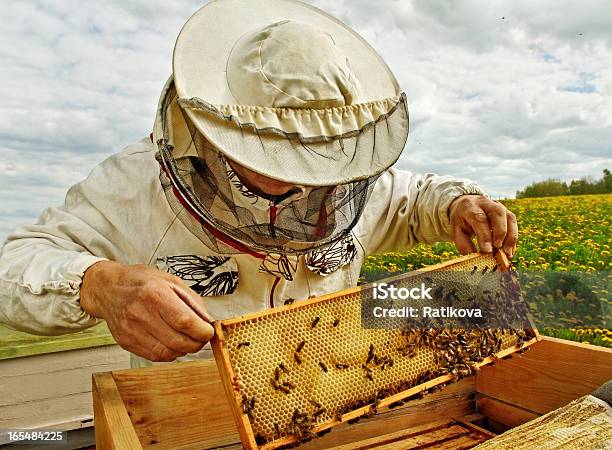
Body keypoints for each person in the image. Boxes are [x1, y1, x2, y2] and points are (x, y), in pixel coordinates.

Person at [0, 0, 517, 368]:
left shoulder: (347, 179)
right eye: (281, 156)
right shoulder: (132, 185)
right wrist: (99, 284)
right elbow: (14, 266)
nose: (306, 179)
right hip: (196, 419)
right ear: (222, 135)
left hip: (331, 396)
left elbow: (410, 199)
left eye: (319, 156)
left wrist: (457, 203)